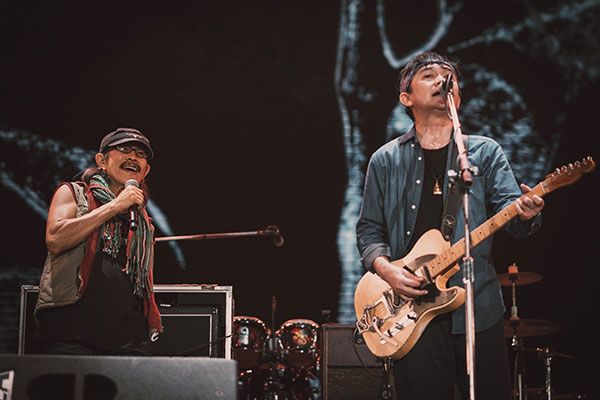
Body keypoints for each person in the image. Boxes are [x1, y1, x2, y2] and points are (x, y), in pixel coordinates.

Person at [356, 51, 544, 399]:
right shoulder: (385, 160)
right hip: (411, 313)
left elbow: (513, 218)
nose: (442, 80)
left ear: (457, 97)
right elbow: (369, 230)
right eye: (429, 75)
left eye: (448, 77)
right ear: (406, 97)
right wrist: (388, 271)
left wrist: (527, 213)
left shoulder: (484, 152)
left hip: (477, 307)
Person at [34, 127, 162, 355]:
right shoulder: (73, 193)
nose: (133, 157)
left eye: (140, 154)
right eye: (124, 149)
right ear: (102, 161)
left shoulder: (142, 220)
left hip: (127, 338)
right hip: (72, 332)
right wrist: (115, 206)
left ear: (146, 170)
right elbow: (56, 239)